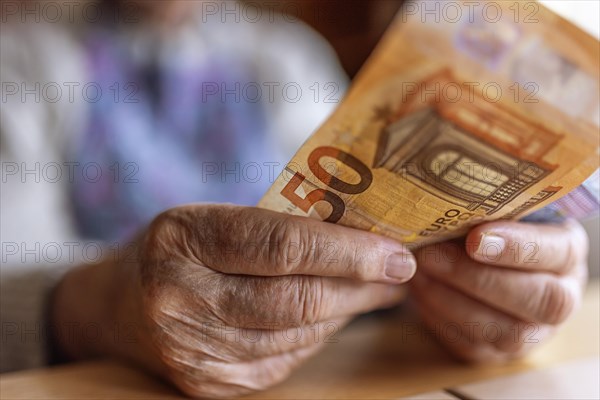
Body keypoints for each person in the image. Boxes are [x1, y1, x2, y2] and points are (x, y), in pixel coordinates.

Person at [0, 1, 589, 398]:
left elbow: (373, 239)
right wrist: (104, 306)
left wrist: (475, 298)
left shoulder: (283, 54)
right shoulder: (22, 57)